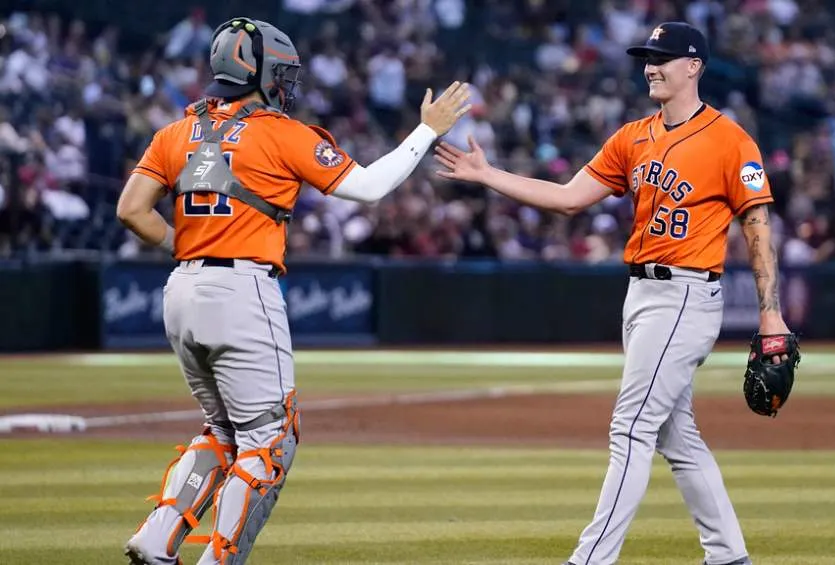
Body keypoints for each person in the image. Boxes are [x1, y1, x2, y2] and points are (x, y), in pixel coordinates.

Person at [436, 22, 795, 565]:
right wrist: (490, 176)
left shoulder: (730, 140)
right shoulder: (633, 136)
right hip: (641, 297)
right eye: (647, 57)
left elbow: (758, 227)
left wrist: (771, 316)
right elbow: (567, 197)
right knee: (678, 437)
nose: (650, 66)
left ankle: (590, 560)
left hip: (685, 296)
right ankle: (729, 557)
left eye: (663, 57)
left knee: (630, 427)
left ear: (693, 66)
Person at [116, 17, 470, 565]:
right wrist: (426, 130)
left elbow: (131, 210)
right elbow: (370, 188)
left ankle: (158, 535)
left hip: (181, 289)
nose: (286, 83)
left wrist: (188, 244)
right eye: (280, 72)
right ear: (256, 72)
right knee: (270, 441)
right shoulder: (281, 132)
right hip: (241, 292)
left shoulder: (175, 132)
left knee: (222, 430)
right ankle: (220, 558)